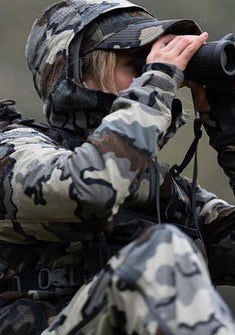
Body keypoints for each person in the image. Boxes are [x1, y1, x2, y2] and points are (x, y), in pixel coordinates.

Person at [0, 0, 235, 333]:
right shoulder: (13, 151)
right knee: (160, 253)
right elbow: (90, 190)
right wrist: (155, 85)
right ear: (79, 74)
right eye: (137, 63)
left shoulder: (161, 190)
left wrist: (228, 127)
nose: (159, 77)